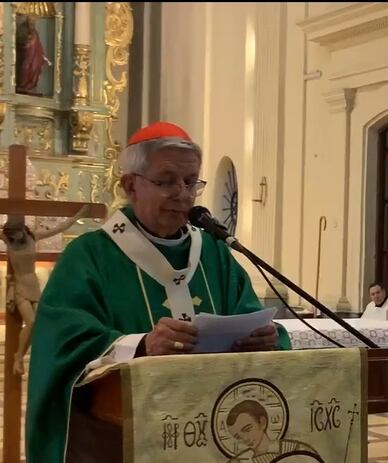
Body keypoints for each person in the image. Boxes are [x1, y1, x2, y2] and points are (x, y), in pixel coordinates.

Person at [25, 122, 292, 463]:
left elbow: (249, 314)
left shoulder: (214, 252)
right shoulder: (90, 255)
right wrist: (141, 345)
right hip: (119, 440)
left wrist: (267, 337)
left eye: (190, 181)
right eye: (166, 181)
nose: (182, 193)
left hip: (213, 432)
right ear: (130, 185)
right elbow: (62, 341)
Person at [1, 206, 90, 375]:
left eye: (18, 231)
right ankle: (18, 357)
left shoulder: (33, 236)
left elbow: (60, 227)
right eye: (13, 233)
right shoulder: (7, 240)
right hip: (19, 286)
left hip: (33, 285)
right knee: (32, 322)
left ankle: (30, 358)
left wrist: (79, 215)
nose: (16, 236)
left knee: (41, 324)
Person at [226, 400, 321, 462]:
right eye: (238, 437)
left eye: (247, 429)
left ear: (262, 422)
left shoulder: (297, 449)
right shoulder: (239, 461)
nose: (245, 438)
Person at [15, 15, 48, 95]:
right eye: (31, 21)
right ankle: (23, 85)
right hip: (26, 54)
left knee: (35, 67)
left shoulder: (35, 31)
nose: (33, 23)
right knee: (25, 67)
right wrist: (27, 40)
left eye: (34, 21)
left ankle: (31, 86)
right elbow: (20, 40)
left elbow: (38, 44)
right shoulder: (22, 28)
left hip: (35, 55)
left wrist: (42, 54)